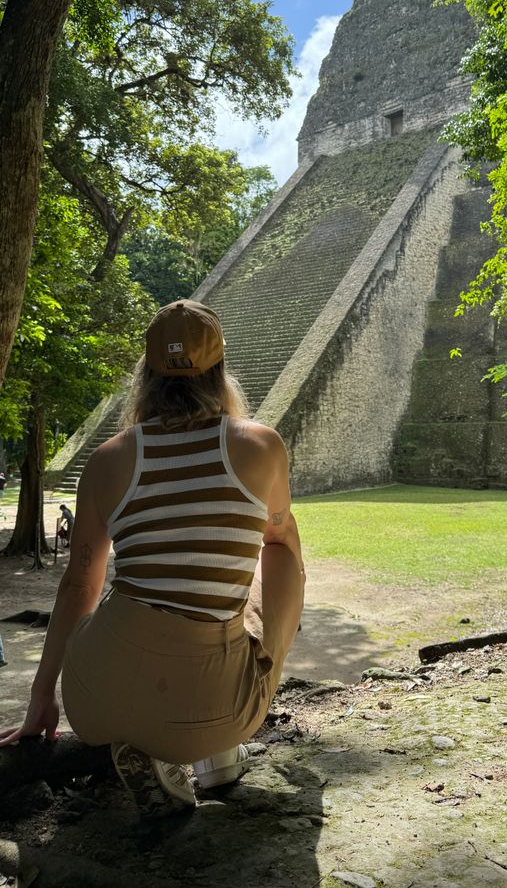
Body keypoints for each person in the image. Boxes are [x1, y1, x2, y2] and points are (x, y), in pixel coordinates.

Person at [0, 300, 305, 817]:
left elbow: (79, 585)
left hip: (97, 700)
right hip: (215, 710)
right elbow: (281, 549)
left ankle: (150, 749)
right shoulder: (259, 446)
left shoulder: (107, 459)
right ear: (220, 370)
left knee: (126, 596)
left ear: (145, 375)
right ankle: (217, 757)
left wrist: (42, 697)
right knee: (277, 559)